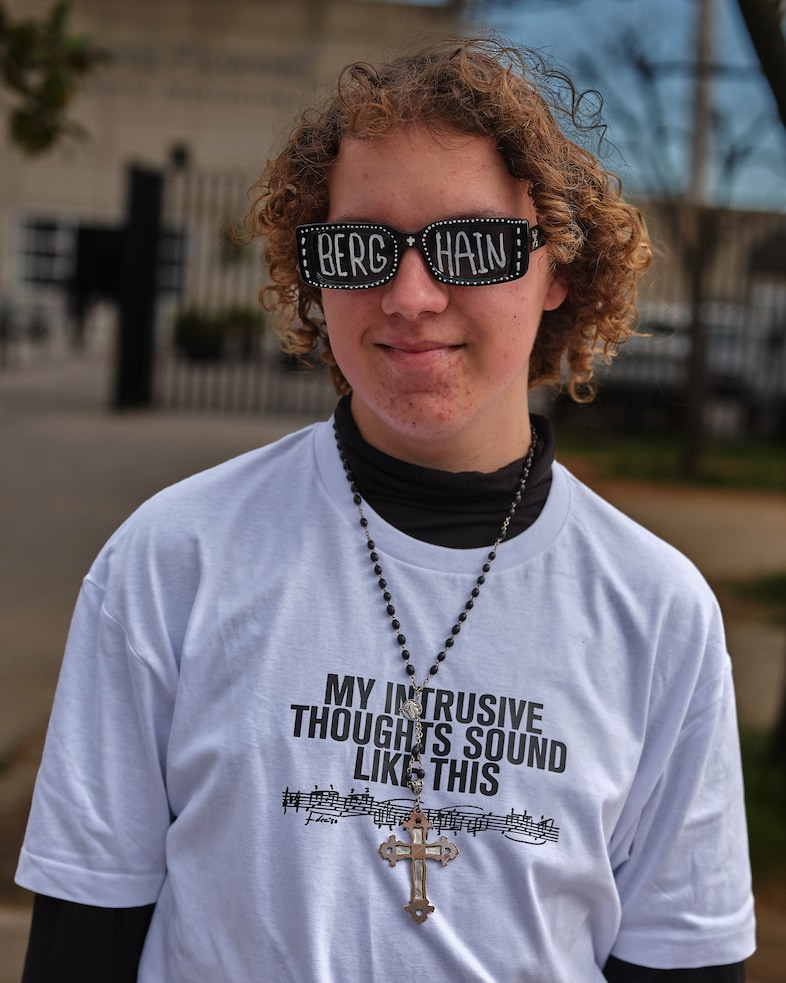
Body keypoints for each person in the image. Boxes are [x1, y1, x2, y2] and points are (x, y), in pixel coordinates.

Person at [16, 35, 755, 981]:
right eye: (362, 247)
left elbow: (682, 959)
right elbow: (83, 941)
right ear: (315, 272)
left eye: (473, 245)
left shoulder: (659, 614)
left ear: (558, 267)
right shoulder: (169, 560)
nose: (409, 296)